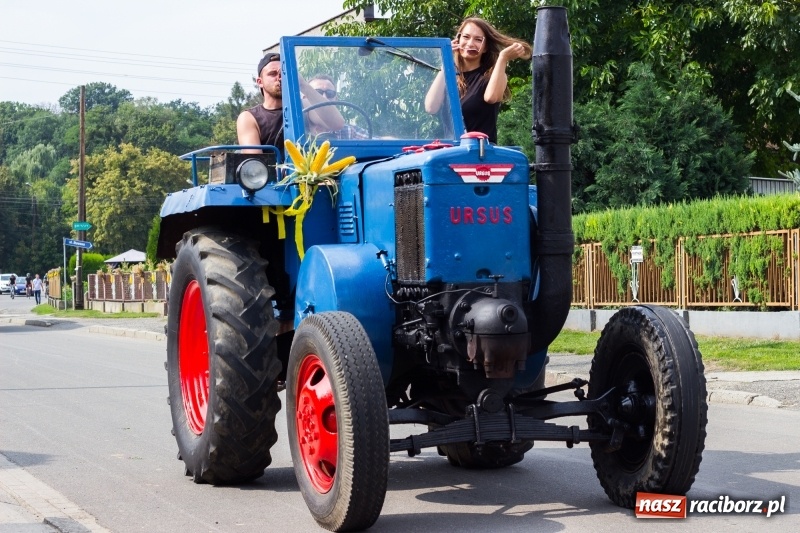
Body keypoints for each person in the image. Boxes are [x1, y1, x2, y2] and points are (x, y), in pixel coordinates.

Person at [425, 17, 532, 143]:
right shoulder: (449, 75)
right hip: (452, 150)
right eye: (466, 37)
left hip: (481, 150)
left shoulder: (492, 75)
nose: (470, 43)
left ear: (485, 47)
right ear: (458, 39)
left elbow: (491, 97)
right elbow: (431, 107)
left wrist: (503, 58)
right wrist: (447, 60)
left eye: (478, 40)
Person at [236, 55, 345, 153]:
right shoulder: (250, 117)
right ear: (260, 82)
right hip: (275, 169)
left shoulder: (304, 106)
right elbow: (255, 162)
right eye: (272, 74)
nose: (279, 78)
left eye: (283, 73)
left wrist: (302, 84)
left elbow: (337, 123)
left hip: (311, 168)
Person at [306, 74, 369, 139]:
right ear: (304, 98)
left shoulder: (351, 132)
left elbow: (375, 142)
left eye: (330, 93)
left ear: (336, 100)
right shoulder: (299, 131)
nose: (324, 98)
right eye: (317, 93)